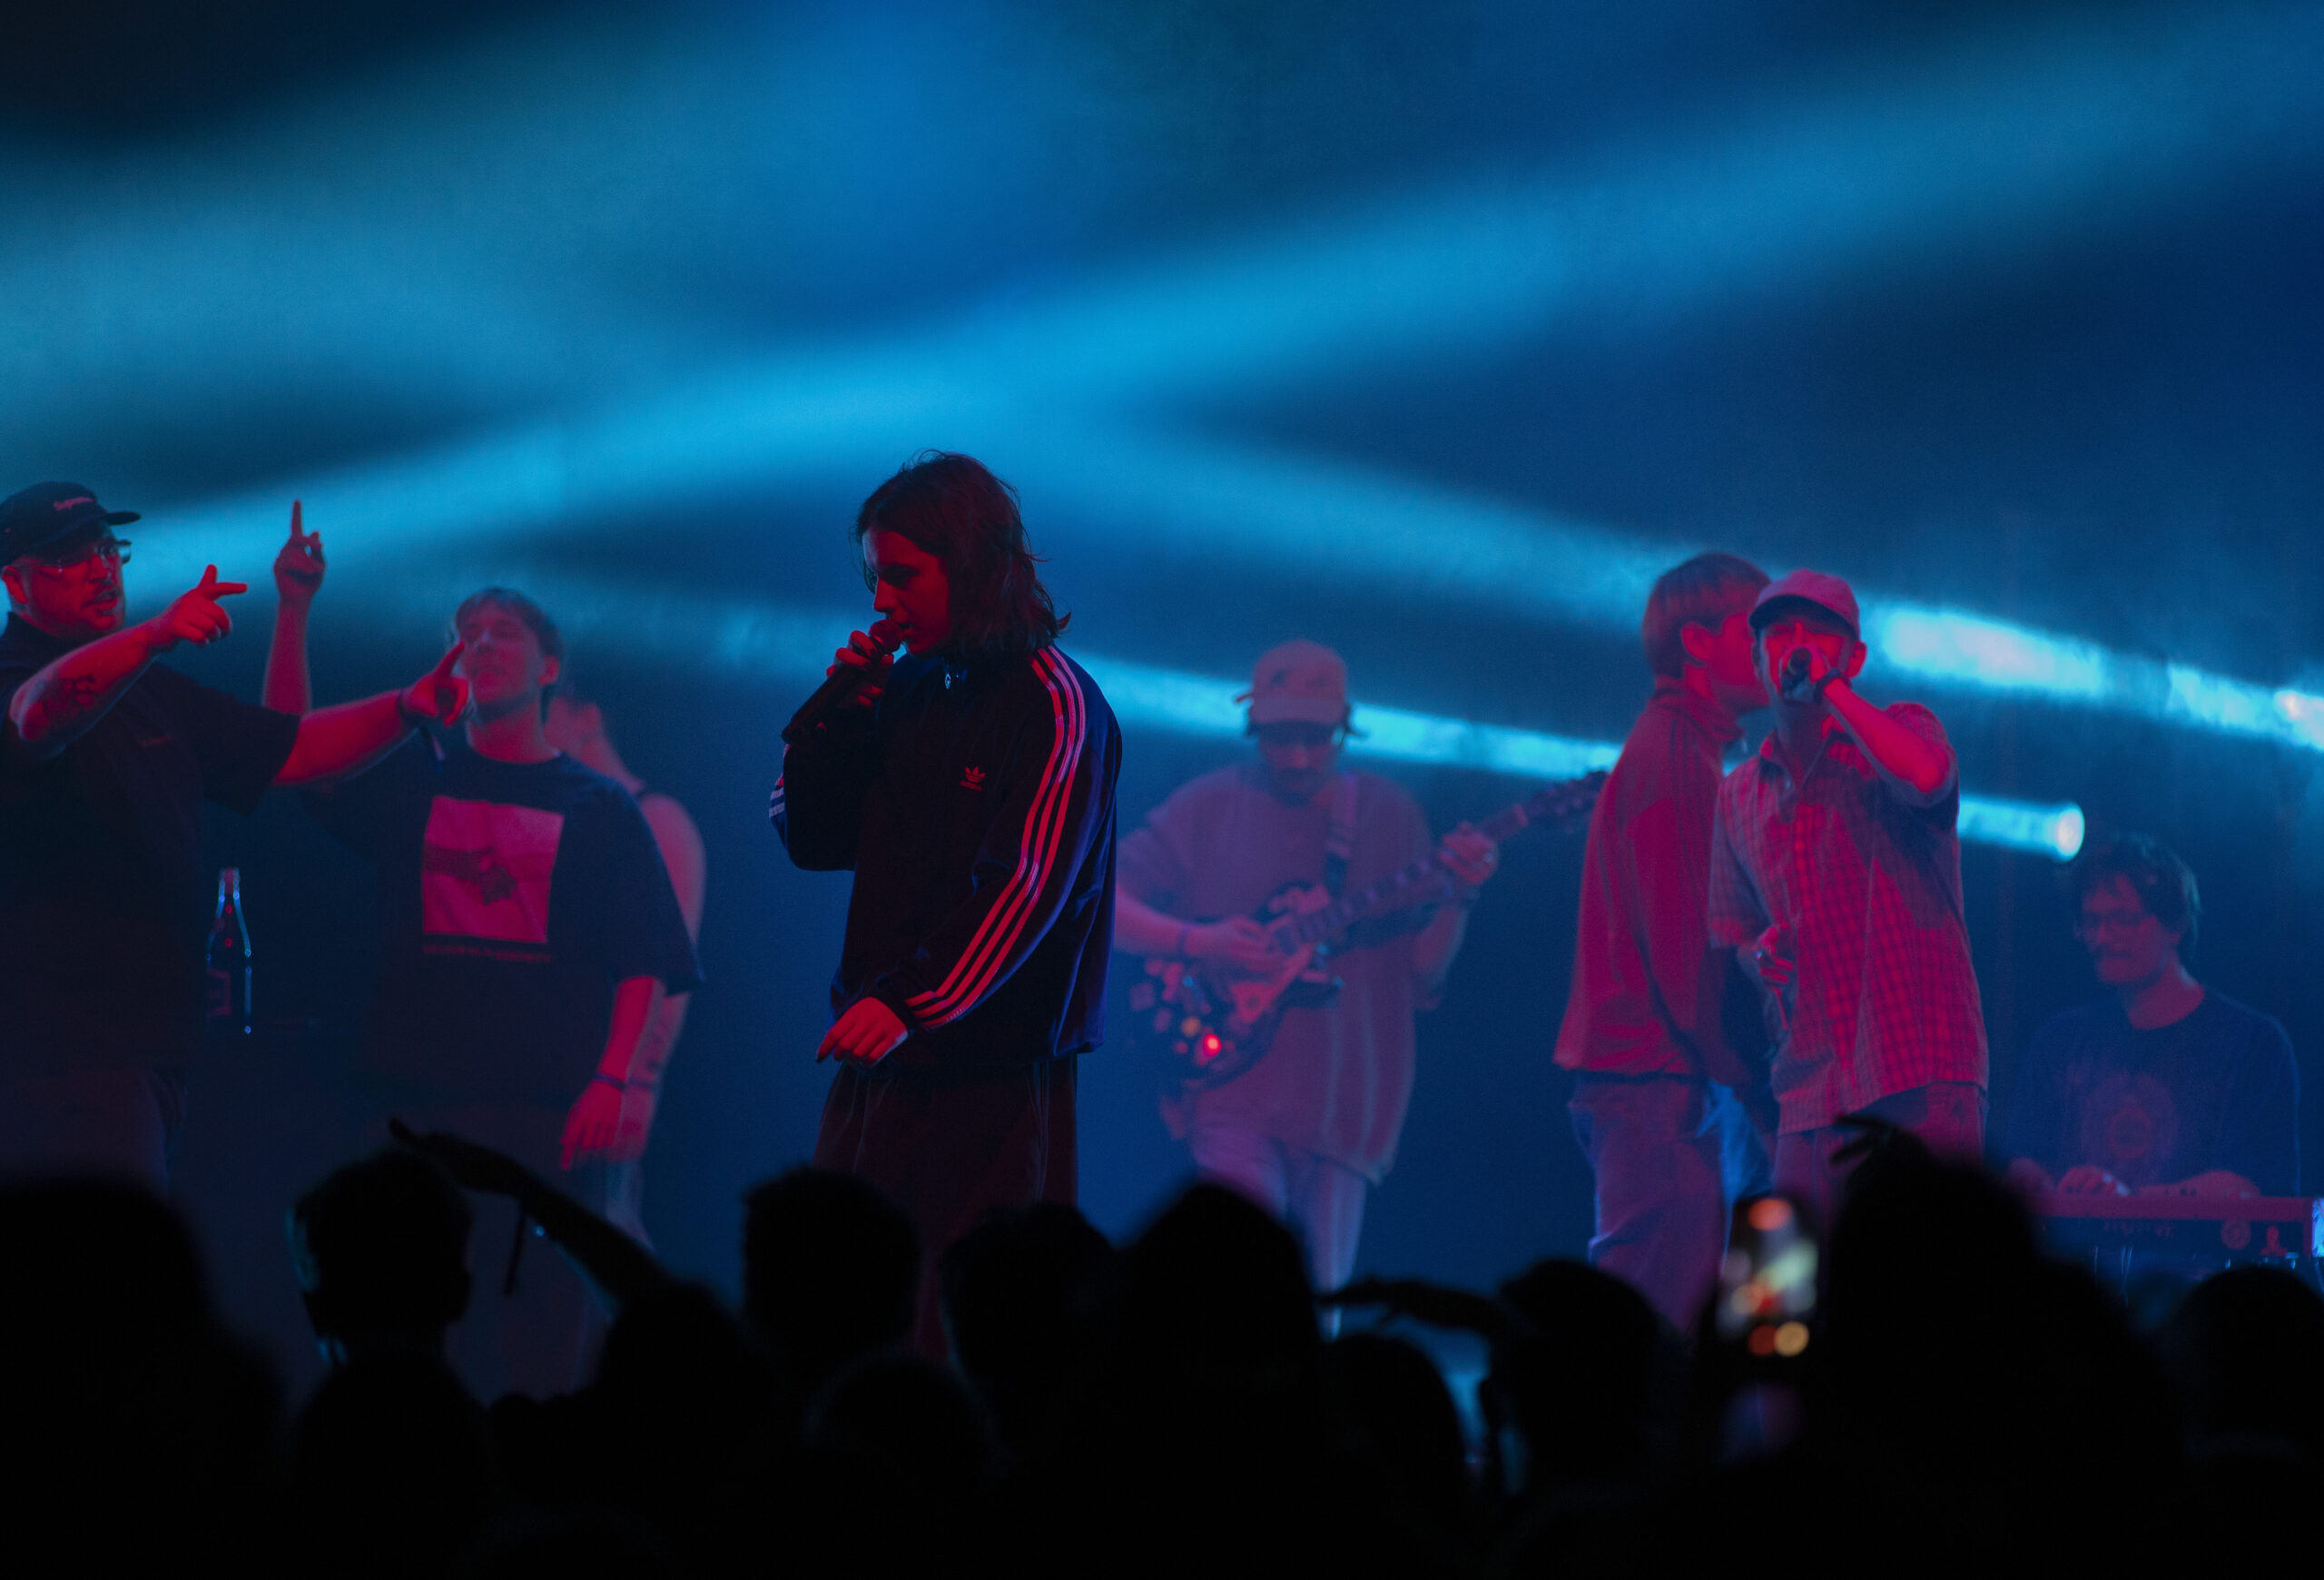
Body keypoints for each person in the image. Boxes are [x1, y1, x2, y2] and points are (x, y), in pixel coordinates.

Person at [266, 550, 701, 1399]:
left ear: (549, 669)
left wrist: (616, 1079)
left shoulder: (601, 807)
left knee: (541, 1348)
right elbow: (289, 751)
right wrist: (293, 610)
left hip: (545, 1118)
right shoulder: (410, 780)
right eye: (467, 632)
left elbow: (644, 959)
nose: (483, 642)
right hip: (411, 1112)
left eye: (505, 632)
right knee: (402, 1339)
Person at [0, 484, 468, 1188]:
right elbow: (36, 715)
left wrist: (406, 707)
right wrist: (152, 635)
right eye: (70, 557)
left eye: (107, 549)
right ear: (16, 584)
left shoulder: (152, 690)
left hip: (151, 1051)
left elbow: (293, 749)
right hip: (64, 1058)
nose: (100, 568)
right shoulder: (16, 673)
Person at [772, 451, 1118, 1355]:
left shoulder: (1056, 705)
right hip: (881, 1050)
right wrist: (839, 721)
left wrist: (913, 1001)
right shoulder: (911, 687)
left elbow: (1025, 886)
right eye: (874, 579)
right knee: (840, 1309)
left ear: (969, 565)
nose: (883, 602)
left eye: (903, 576)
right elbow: (812, 841)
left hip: (988, 1071)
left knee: (970, 1323)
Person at [1111, 639, 1499, 1297]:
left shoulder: (1391, 814)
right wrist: (1198, 942)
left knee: (1318, 1305)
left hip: (1349, 1107)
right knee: (1237, 1294)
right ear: (1252, 725)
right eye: (1279, 736)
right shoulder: (1208, 805)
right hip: (1231, 1090)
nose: (1297, 757)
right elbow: (1102, 903)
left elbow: (1422, 977)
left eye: (1316, 738)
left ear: (1345, 728)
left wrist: (1460, 897)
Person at [1708, 569, 1986, 1226]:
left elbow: (1927, 778)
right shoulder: (1737, 794)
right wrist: (1758, 954)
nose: (1797, 647)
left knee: (1918, 1278)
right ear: (1757, 659)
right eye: (1780, 634)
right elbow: (1733, 932)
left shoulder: (1902, 729)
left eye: (1817, 634)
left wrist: (1829, 690)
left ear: (1854, 658)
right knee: (1779, 1285)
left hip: (1918, 1071)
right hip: (1807, 1089)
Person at [1556, 552, 1773, 1328]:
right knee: (1650, 1331)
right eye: (1754, 630)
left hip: (1668, 1080)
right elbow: (1687, 955)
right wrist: (1747, 1082)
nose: (1771, 649)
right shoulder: (1678, 760)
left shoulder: (1687, 751)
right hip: (1662, 1083)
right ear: (1697, 644)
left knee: (1685, 1321)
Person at [2004, 834, 2298, 1199]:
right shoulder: (2060, 1041)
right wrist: (2043, 1187)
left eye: (2122, 919)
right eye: (2091, 921)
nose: (2102, 937)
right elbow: (2025, 1159)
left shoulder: (2252, 1043)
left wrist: (2124, 1204)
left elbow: (2248, 1187)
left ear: (2176, 924)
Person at [545, 674, 707, 1241]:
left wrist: (638, 1082)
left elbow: (668, 968)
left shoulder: (657, 818)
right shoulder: (571, 816)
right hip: (556, 1077)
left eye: (547, 710)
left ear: (586, 717)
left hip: (608, 1083)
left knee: (600, 1238)